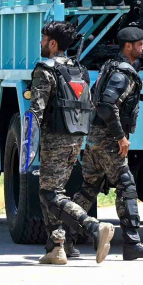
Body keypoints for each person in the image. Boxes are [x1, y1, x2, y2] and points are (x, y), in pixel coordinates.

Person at [28, 20, 115, 265]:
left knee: (50, 193)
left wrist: (29, 144)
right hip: (77, 138)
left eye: (44, 39)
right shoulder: (80, 69)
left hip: (55, 139)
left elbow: (36, 110)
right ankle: (56, 247)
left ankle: (94, 227)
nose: (41, 43)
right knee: (55, 190)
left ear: (53, 43)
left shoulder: (45, 70)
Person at [72, 27, 143, 261]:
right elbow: (105, 106)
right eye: (140, 44)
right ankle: (132, 243)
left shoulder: (111, 66)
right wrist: (121, 137)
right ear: (128, 46)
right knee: (126, 185)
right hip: (107, 138)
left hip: (95, 136)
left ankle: (61, 238)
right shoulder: (122, 73)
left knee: (89, 187)